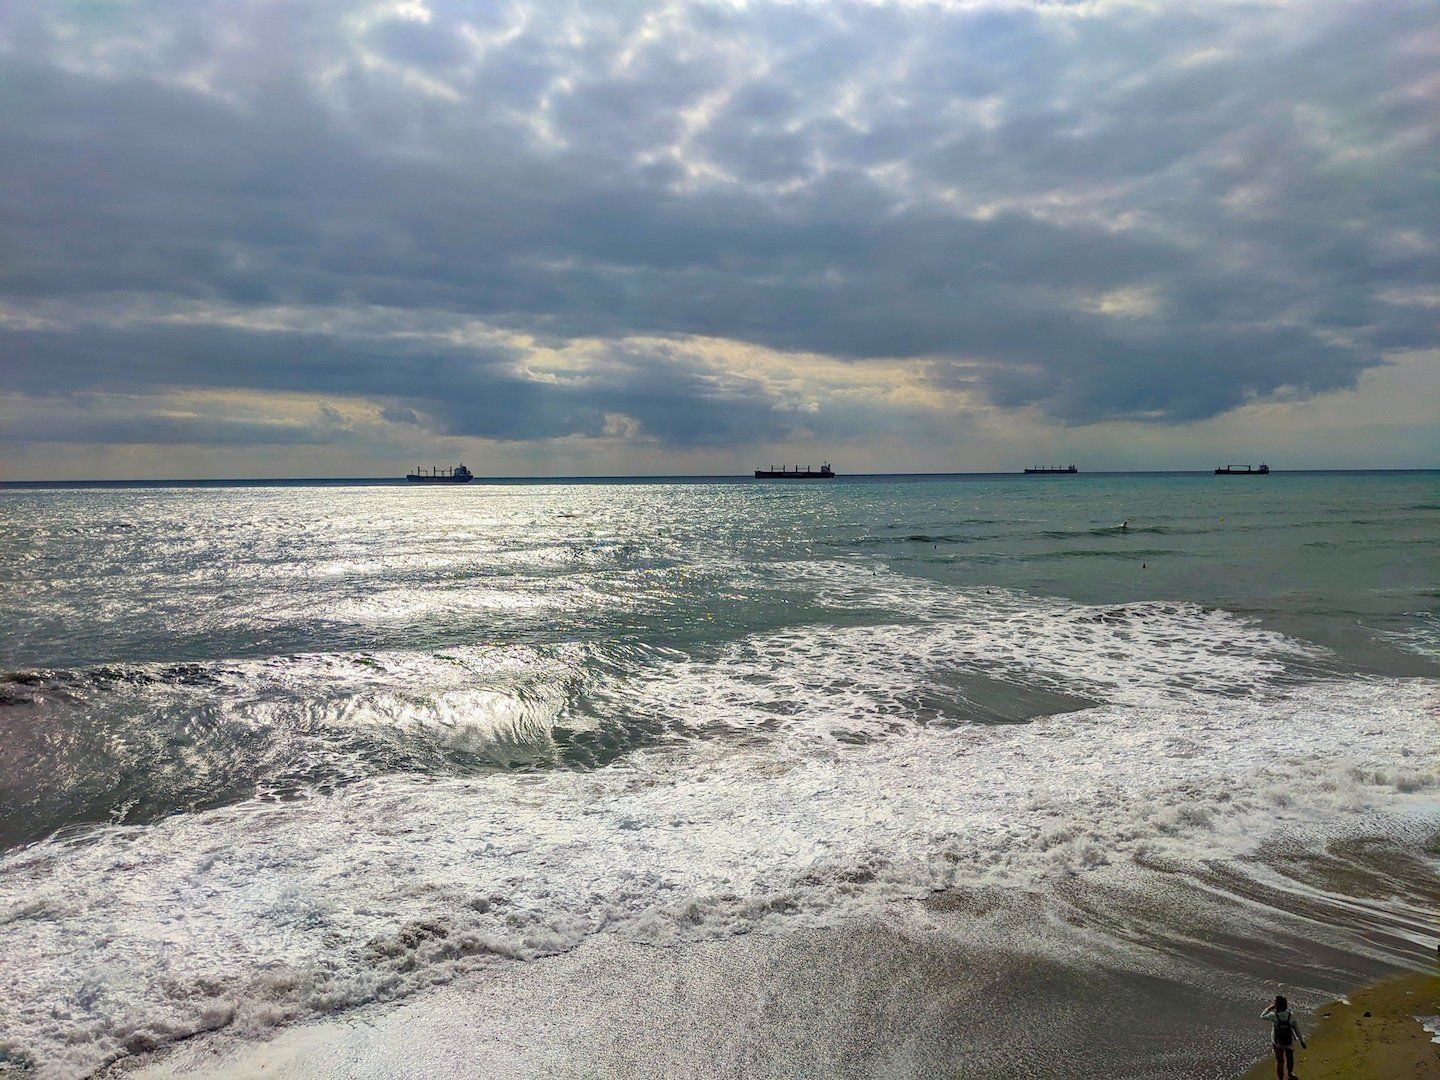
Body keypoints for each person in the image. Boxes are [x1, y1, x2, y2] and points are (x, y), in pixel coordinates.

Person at [1261, 995, 1306, 1080]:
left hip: (1277, 1041)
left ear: (1276, 1005)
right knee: (1290, 1058)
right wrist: (1301, 1041)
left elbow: (1262, 1016)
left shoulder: (1273, 1015)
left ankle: (1280, 1079)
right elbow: (1296, 1029)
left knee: (1280, 1062)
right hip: (1289, 1041)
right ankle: (1290, 1075)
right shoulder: (1290, 1015)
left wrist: (1269, 1008)